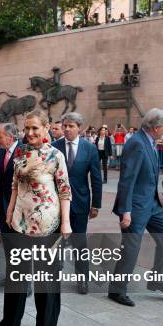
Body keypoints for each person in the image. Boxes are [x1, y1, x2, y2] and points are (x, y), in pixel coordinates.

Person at [0, 110, 72, 326]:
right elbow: (15, 185)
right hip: (19, 224)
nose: (29, 133)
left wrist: (66, 223)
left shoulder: (56, 156)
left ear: (46, 128)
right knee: (16, 278)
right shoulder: (20, 153)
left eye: (35, 128)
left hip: (47, 226)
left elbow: (65, 190)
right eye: (26, 128)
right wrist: (10, 210)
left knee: (46, 280)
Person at [110, 108, 163, 307]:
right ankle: (116, 290)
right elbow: (127, 179)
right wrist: (126, 210)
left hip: (152, 204)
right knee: (131, 248)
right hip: (136, 206)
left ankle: (157, 280)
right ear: (156, 128)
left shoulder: (150, 142)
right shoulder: (137, 144)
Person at [53, 112, 102, 294]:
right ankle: (54, 275)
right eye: (64, 125)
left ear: (79, 128)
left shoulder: (90, 148)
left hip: (81, 203)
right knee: (57, 242)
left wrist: (95, 204)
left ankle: (82, 279)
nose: (66, 129)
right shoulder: (55, 147)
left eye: (71, 126)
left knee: (80, 243)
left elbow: (96, 178)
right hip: (58, 204)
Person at [0, 123, 21, 287]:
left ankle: (23, 283)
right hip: (3, 205)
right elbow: (1, 177)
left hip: (19, 208)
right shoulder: (1, 151)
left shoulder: (25, 151)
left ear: (10, 137)